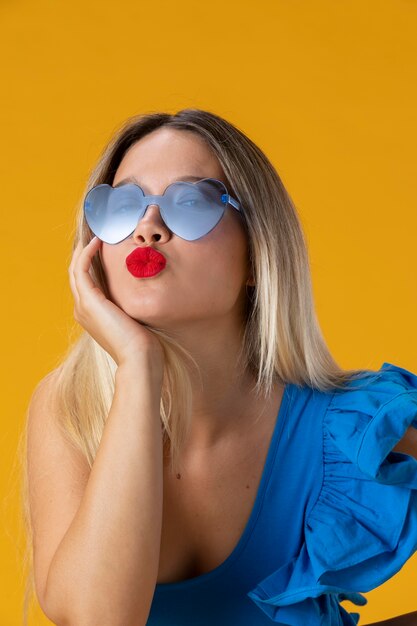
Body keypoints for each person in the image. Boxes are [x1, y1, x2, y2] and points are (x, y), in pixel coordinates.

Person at [23, 108, 417, 626]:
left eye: (190, 204)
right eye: (124, 206)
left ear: (257, 254)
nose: (148, 227)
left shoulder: (353, 431)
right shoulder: (69, 407)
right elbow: (99, 619)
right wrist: (139, 366)